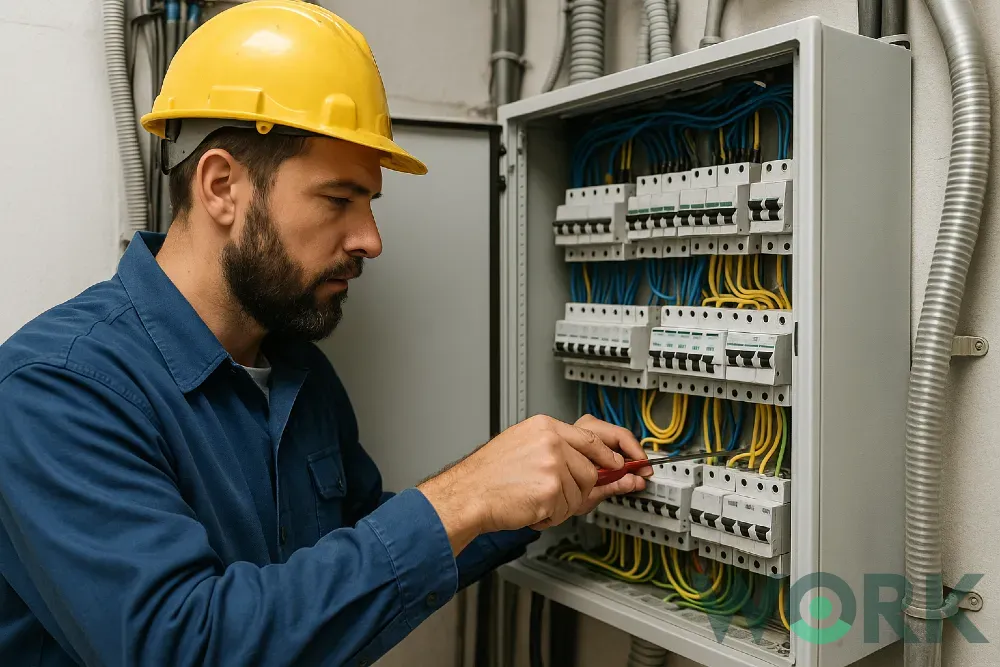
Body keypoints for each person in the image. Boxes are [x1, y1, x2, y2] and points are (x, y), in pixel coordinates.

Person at [0, 2, 651, 665]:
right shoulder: (57, 389)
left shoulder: (299, 374)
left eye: (369, 203)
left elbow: (355, 562)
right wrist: (468, 494)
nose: (369, 238)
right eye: (339, 200)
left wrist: (519, 501)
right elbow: (186, 647)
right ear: (222, 185)